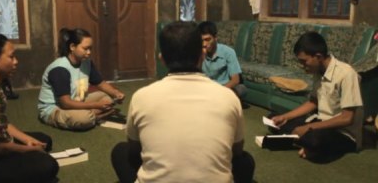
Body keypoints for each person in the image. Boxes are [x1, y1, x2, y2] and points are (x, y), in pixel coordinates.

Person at [111, 21, 255, 183]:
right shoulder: (229, 98)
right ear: (201, 55)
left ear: (162, 59)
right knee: (246, 161)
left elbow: (134, 151)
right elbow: (236, 152)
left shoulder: (141, 97)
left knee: (120, 151)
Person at [270, 31, 363, 162]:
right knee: (274, 121)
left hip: (342, 133)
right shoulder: (318, 71)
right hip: (320, 123)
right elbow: (313, 102)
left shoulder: (347, 74)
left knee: (314, 140)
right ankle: (306, 145)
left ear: (318, 56)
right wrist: (285, 117)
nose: (303, 66)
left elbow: (347, 118)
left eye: (304, 62)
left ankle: (310, 146)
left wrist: (308, 127)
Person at [0, 34, 58, 183]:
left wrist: (28, 140)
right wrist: (29, 149)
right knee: (48, 165)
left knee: (43, 140)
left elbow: (3, 124)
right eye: (11, 57)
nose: (16, 62)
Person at [38, 28, 125, 130]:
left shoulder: (86, 62)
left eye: (90, 49)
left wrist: (115, 93)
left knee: (108, 98)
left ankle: (91, 114)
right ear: (72, 47)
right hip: (56, 109)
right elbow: (65, 103)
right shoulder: (60, 69)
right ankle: (92, 116)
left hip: (77, 99)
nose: (89, 52)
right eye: (85, 48)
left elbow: (100, 83)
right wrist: (96, 105)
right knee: (84, 118)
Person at [199, 21, 248, 107]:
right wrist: (201, 57)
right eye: (201, 40)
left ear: (215, 38)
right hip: (206, 87)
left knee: (242, 89)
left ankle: (217, 101)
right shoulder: (198, 52)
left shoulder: (228, 52)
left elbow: (235, 80)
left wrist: (219, 91)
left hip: (224, 88)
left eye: (207, 40)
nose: (204, 44)